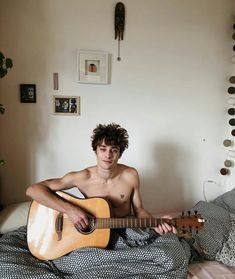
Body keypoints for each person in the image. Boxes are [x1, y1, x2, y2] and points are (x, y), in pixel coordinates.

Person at [26, 123, 175, 235]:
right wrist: (70, 210)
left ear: (120, 154)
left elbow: (139, 210)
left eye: (114, 150)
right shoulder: (81, 177)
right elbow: (33, 190)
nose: (108, 155)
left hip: (126, 231)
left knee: (170, 250)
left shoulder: (131, 175)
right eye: (103, 149)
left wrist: (155, 223)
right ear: (96, 151)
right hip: (95, 233)